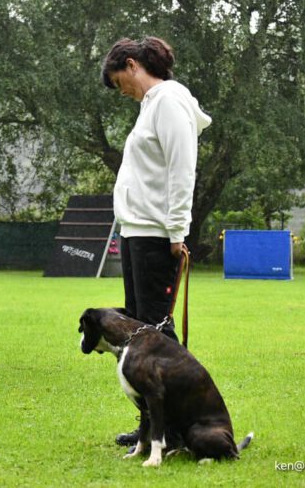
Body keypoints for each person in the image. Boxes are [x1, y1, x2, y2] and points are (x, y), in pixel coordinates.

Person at [101, 36, 211, 445]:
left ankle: (185, 423)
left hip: (155, 235)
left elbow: (183, 171)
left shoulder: (169, 101)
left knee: (158, 337)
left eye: (119, 82)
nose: (122, 92)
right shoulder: (151, 105)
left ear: (132, 65)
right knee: (143, 335)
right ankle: (154, 425)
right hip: (136, 231)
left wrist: (177, 232)